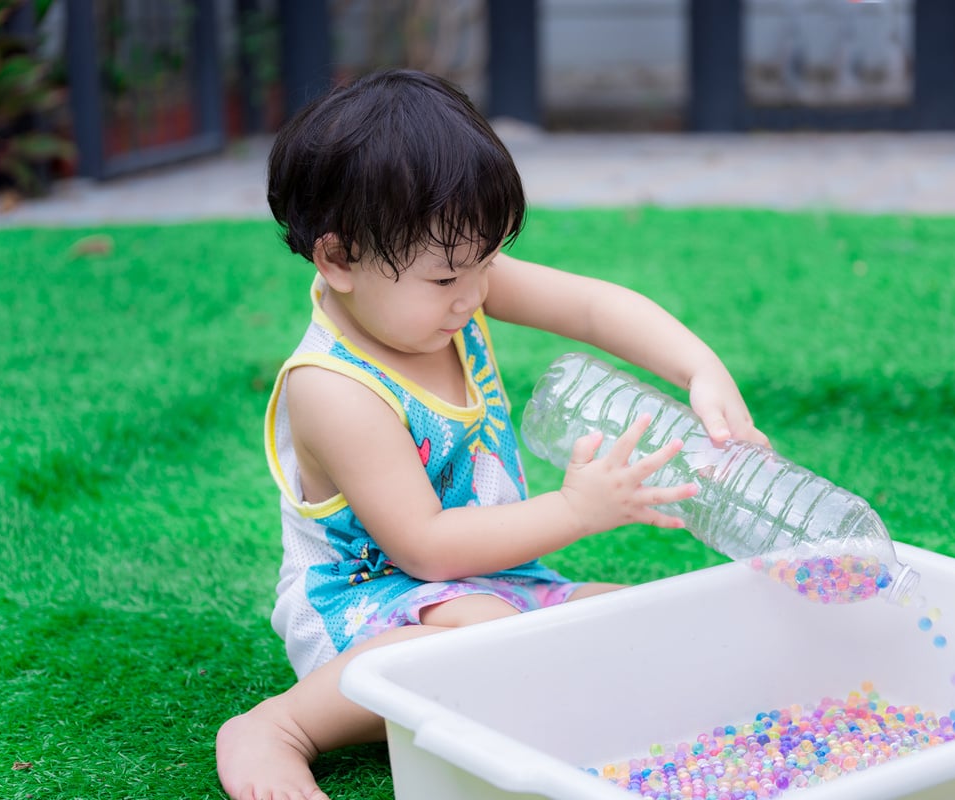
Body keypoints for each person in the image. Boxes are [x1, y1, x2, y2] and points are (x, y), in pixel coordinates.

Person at [215, 68, 768, 800]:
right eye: (448, 279)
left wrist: (699, 368)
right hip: (370, 606)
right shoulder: (334, 388)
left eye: (486, 261)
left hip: (494, 580)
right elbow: (426, 546)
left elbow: (596, 309)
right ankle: (282, 726)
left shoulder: (450, 278)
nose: (475, 294)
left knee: (633, 622)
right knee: (486, 642)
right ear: (339, 259)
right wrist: (576, 512)